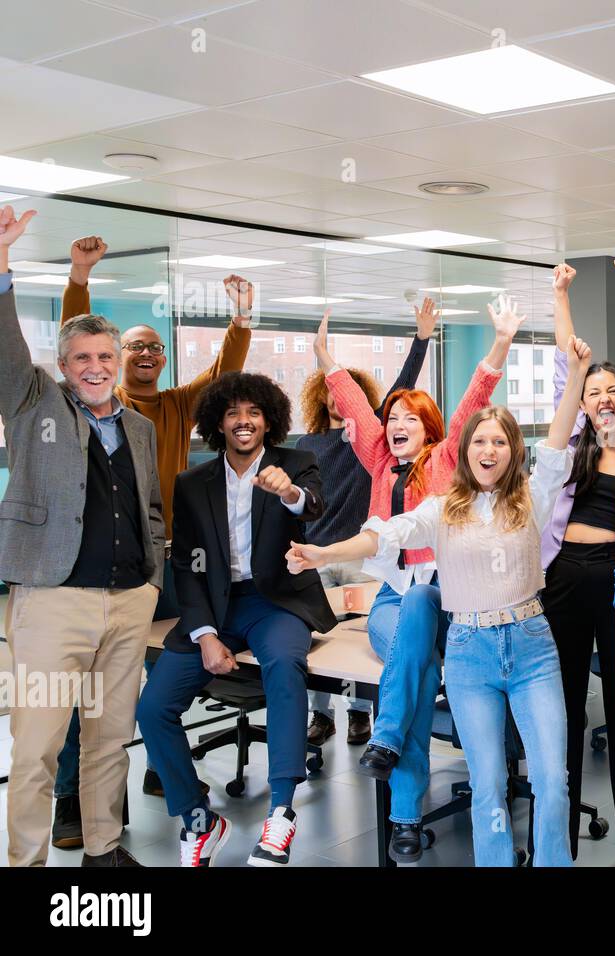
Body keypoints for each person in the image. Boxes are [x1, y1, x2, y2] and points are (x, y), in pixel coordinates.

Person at [287, 334, 591, 867]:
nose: (489, 451)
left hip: (532, 648)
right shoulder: (440, 507)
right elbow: (382, 534)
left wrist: (578, 374)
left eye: (499, 442)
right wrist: (322, 552)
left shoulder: (535, 495)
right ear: (464, 452)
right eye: (479, 442)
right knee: (489, 787)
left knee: (553, 782)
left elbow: (561, 438)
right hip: (471, 652)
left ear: (513, 450)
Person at [50, 236, 254, 848]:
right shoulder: (73, 405)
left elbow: (225, 373)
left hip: (158, 565)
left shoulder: (168, 409)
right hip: (90, 570)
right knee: (85, 689)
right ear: (111, 356)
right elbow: (73, 339)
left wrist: (241, 318)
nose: (147, 353)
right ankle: (71, 800)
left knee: (167, 668)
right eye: (136, 345)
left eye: (155, 347)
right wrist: (79, 276)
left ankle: (163, 767)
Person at [311, 298, 514, 862]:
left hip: (453, 598)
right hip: (392, 598)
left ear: (430, 430)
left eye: (409, 420)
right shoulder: (378, 460)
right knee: (418, 669)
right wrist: (326, 358)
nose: (396, 426)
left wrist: (498, 345)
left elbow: (476, 398)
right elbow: (353, 406)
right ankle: (400, 797)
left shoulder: (449, 457)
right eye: (391, 419)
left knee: (421, 618)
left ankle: (390, 746)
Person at [0, 205, 164, 867]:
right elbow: (5, 349)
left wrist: (153, 575)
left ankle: (104, 848)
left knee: (107, 739)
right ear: (63, 365)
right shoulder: (33, 399)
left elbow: (152, 508)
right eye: (81, 357)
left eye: (105, 355)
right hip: (51, 602)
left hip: (127, 605)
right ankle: (26, 862)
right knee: (37, 745)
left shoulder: (142, 429)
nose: (95, 366)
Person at [136, 371, 337, 867]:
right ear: (218, 423)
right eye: (232, 413)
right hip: (215, 608)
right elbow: (186, 562)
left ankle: (282, 813)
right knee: (153, 708)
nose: (243, 421)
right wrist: (204, 634)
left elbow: (311, 506)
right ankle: (200, 820)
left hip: (277, 603)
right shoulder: (193, 481)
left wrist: (288, 491)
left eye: (253, 413)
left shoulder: (297, 463)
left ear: (269, 421)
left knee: (285, 670)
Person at [539, 262, 615, 866]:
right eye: (593, 391)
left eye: (613, 390)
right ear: (582, 401)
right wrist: (559, 294)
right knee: (560, 713)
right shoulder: (573, 444)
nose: (603, 398)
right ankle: (556, 847)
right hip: (563, 580)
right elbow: (567, 357)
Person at [297, 296, 441, 748]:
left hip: (365, 555)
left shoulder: (373, 443)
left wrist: (420, 340)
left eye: (343, 390)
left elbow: (400, 388)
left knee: (366, 650)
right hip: (321, 553)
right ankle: (322, 717)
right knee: (322, 643)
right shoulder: (307, 442)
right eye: (329, 390)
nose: (337, 397)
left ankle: (363, 716)